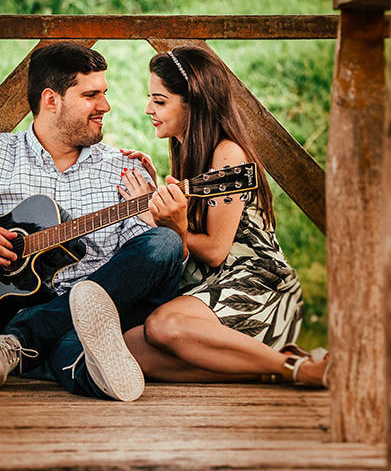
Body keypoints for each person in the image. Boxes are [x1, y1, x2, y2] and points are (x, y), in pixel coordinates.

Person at [0, 42, 185, 402]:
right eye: (91, 95)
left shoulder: (124, 170)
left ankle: (20, 344)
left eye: (104, 94)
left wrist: (168, 221)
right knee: (70, 346)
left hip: (101, 312)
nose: (105, 107)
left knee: (165, 244)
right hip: (11, 308)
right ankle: (63, 357)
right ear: (51, 100)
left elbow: (146, 262)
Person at [117, 45, 329, 387]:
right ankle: (265, 368)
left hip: (256, 284)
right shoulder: (190, 153)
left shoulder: (227, 153)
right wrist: (159, 193)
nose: (148, 109)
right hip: (212, 285)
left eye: (159, 101)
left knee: (162, 326)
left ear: (194, 103)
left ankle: (296, 368)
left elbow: (216, 250)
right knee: (131, 348)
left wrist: (158, 219)